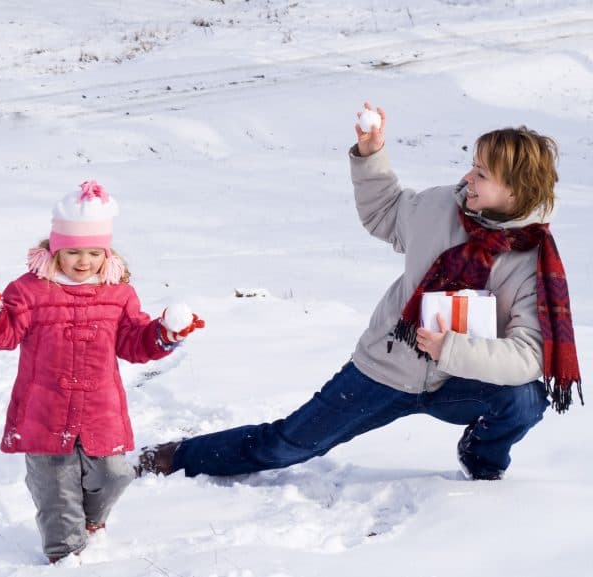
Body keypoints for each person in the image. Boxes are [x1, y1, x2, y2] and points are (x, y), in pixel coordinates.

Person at [138, 104, 581, 481]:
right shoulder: (441, 206)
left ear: (516, 190)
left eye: (481, 173)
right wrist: (371, 156)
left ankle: (481, 461)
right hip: (386, 368)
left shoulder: (531, 261)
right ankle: (179, 455)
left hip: (457, 382)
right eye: (472, 165)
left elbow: (529, 355)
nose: (468, 177)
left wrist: (451, 350)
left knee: (525, 398)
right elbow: (387, 214)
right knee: (286, 445)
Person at [0, 181, 205, 563]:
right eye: (73, 252)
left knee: (115, 475)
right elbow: (5, 335)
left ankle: (92, 523)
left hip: (99, 407)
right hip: (44, 408)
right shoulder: (30, 291)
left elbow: (133, 341)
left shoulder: (118, 294)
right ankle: (67, 557)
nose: (84, 261)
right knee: (57, 490)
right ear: (54, 250)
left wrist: (163, 334)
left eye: (94, 252)